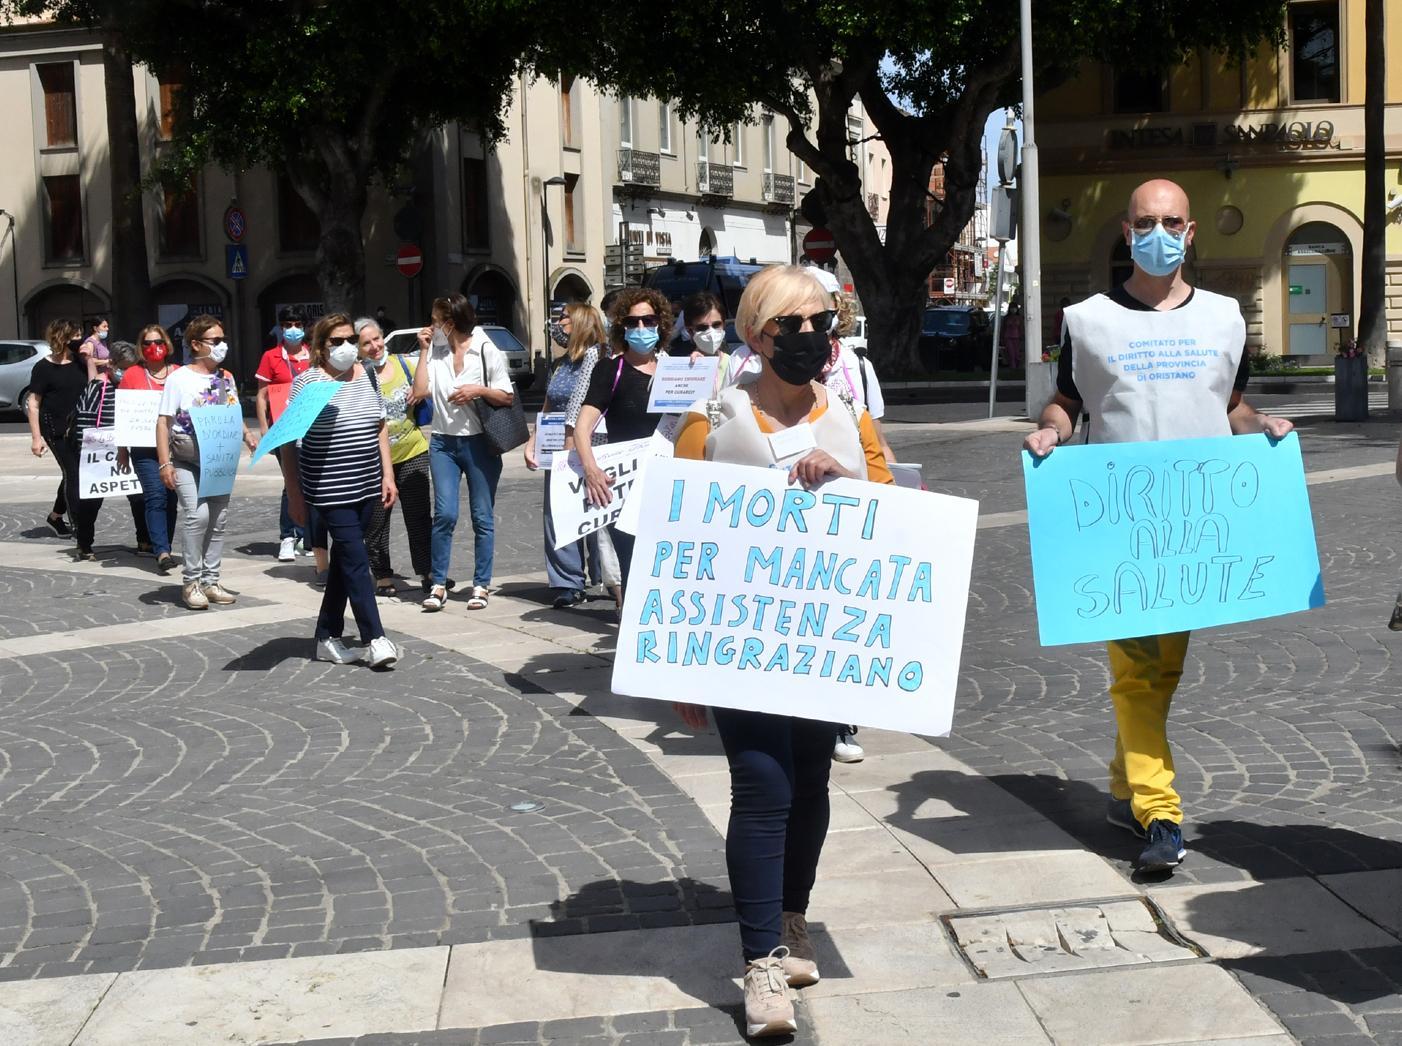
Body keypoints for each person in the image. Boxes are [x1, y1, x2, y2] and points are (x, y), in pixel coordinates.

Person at [1023, 178, 1294, 874]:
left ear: (1191, 231)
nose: (1159, 233)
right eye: (1146, 222)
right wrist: (1049, 432)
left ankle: (1122, 786)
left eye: (1171, 221)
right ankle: (1161, 812)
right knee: (1137, 675)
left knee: (1163, 670)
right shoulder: (1086, 320)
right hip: (1115, 526)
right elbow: (1066, 402)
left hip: (1195, 532)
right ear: (1125, 229)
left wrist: (1261, 425)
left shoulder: (1226, 318)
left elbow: (1229, 405)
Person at [670, 264, 894, 1039]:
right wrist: (681, 664)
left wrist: (852, 485)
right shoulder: (713, 422)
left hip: (823, 644)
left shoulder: (851, 422)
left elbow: (896, 518)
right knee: (761, 788)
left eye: (821, 321)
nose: (809, 336)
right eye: (790, 324)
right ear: (756, 334)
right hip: (741, 644)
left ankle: (792, 918)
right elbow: (677, 541)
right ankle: (761, 958)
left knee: (810, 781)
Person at [282, 315, 399, 668]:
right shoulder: (308, 383)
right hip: (328, 488)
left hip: (366, 482)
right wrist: (295, 494)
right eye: (337, 341)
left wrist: (387, 474)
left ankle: (326, 635)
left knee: (346, 561)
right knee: (355, 556)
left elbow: (379, 425)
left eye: (351, 339)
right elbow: (288, 442)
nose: (346, 346)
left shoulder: (369, 375)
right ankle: (375, 637)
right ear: (321, 346)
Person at [410, 293, 514, 612]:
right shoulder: (437, 352)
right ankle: (438, 583)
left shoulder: (485, 350)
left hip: (479, 442)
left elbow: (506, 397)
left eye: (435, 320)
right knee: (445, 514)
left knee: (482, 517)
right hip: (443, 442)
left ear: (450, 323)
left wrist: (478, 390)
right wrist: (426, 348)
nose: (431, 325)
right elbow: (418, 392)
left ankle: (481, 584)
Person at [572, 288, 672, 594]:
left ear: (661, 324)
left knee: (667, 568)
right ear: (622, 328)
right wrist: (591, 471)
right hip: (626, 488)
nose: (641, 328)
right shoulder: (609, 370)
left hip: (668, 485)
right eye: (632, 323)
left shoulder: (676, 369)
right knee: (633, 567)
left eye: (649, 320)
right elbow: (581, 428)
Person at [156, 314, 259, 610]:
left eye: (222, 340)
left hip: (219, 459)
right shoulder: (179, 378)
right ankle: (191, 581)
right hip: (187, 458)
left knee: (218, 519)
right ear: (196, 344)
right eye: (216, 341)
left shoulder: (225, 378)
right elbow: (163, 422)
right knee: (197, 515)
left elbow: (232, 413)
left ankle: (211, 580)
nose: (221, 345)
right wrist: (165, 463)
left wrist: (247, 436)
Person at [525, 302, 606, 608]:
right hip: (556, 446)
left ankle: (603, 575)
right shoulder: (561, 364)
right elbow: (548, 403)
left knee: (594, 510)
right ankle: (567, 581)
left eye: (564, 319)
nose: (558, 324)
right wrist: (533, 439)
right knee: (557, 512)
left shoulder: (599, 358)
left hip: (591, 444)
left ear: (582, 323)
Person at [355, 317, 433, 596]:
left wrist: (420, 390)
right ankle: (382, 574)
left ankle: (427, 570)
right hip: (374, 459)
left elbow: (428, 386)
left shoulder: (404, 365)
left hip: (413, 450)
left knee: (419, 515)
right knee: (377, 519)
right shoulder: (358, 375)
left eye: (377, 339)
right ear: (358, 348)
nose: (375, 346)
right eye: (367, 343)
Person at [67, 339, 152, 560]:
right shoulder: (97, 386)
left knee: (139, 498)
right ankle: (84, 545)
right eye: (122, 368)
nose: (125, 373)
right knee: (92, 501)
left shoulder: (134, 386)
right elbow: (84, 420)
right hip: (101, 455)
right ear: (111, 364)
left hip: (129, 451)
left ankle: (144, 541)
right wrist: (85, 451)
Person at [118, 325, 181, 572]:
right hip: (144, 448)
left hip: (175, 447)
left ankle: (166, 543)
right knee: (155, 495)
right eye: (146, 343)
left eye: (157, 341)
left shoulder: (178, 373)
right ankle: (161, 550)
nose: (153, 346)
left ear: (166, 344)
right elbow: (123, 415)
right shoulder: (132, 374)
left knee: (171, 496)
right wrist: (122, 449)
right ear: (140, 348)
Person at [256, 306, 314, 563]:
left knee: (309, 480)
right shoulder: (271, 357)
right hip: (283, 429)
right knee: (291, 479)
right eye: (288, 324)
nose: (293, 328)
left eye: (297, 324)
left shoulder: (314, 355)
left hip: (312, 427)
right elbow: (261, 396)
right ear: (280, 327)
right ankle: (287, 537)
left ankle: (306, 536)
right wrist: (264, 429)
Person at [25, 319, 86, 539]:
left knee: (75, 473)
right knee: (73, 472)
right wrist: (36, 438)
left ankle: (55, 516)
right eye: (74, 336)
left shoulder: (81, 362)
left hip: (81, 427)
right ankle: (80, 527)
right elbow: (33, 403)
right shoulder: (43, 367)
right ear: (62, 338)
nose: (79, 340)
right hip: (55, 428)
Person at [1002, 300, 1025, 369]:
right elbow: (1003, 328)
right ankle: (1013, 367)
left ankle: (1016, 367)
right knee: (1011, 354)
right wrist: (1002, 338)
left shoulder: (1020, 318)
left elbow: (1021, 328)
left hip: (1017, 337)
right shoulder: (1006, 318)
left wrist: (1022, 336)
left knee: (1017, 355)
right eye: (1011, 308)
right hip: (1008, 337)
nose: (1013, 309)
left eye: (1014, 308)